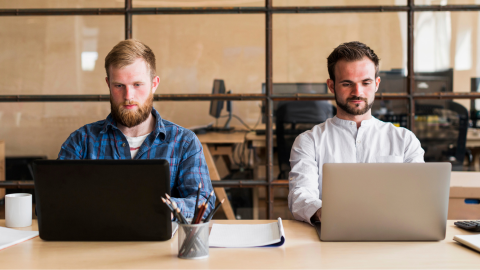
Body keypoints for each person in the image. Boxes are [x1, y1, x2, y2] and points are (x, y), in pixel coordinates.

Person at [58, 39, 215, 219]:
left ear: (154, 84)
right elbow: (52, 203)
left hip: (161, 246)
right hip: (96, 244)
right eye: (119, 86)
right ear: (108, 84)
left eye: (137, 85)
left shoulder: (184, 142)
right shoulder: (81, 141)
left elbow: (204, 204)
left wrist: (160, 207)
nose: (128, 96)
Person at [288, 41, 424, 225]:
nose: (357, 92)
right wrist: (327, 213)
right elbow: (300, 196)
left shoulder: (405, 140)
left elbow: (419, 197)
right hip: (331, 236)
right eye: (346, 83)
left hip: (392, 235)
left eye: (366, 82)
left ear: (376, 84)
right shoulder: (309, 141)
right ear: (331, 86)